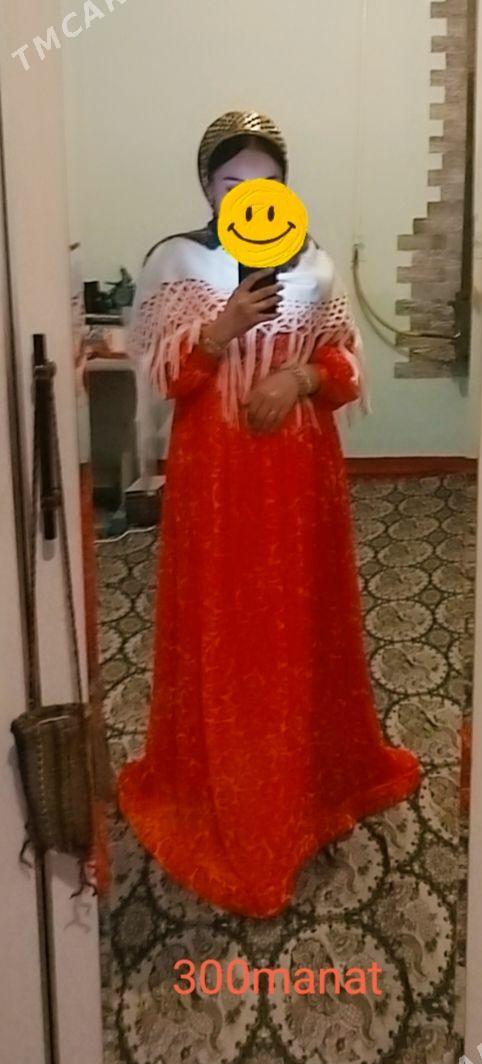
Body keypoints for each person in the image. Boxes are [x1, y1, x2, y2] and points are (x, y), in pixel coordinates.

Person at [117, 110, 421, 917]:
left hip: (299, 473)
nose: (249, 194)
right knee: (229, 625)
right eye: (231, 182)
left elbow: (345, 362)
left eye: (266, 181)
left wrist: (300, 378)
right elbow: (164, 380)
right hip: (217, 479)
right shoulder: (178, 263)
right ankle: (230, 792)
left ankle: (309, 779)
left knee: (299, 620)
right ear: (206, 186)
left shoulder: (313, 264)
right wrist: (218, 331)